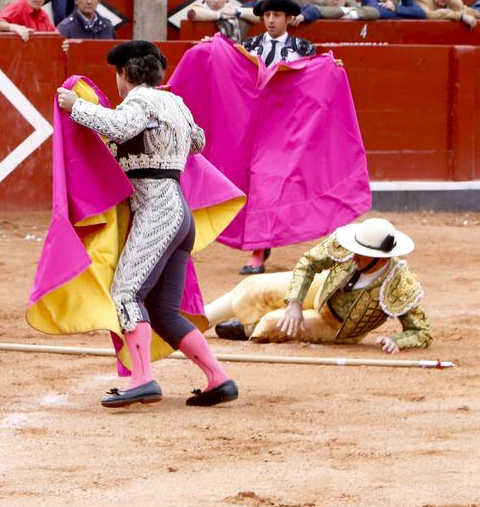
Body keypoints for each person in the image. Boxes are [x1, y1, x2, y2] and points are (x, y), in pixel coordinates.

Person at [56, 41, 238, 407]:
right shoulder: (176, 103)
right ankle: (219, 378)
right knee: (163, 311)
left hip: (156, 211)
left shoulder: (139, 101)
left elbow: (121, 126)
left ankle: (142, 379)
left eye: (117, 75)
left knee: (125, 293)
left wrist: (78, 108)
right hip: (178, 212)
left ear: (125, 73)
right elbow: (198, 142)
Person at [208, 217, 430, 352]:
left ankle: (246, 327)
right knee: (253, 287)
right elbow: (308, 263)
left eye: (363, 254)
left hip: (336, 325)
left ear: (381, 259)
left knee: (271, 324)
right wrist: (294, 303)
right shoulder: (349, 245)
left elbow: (420, 331)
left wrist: (398, 341)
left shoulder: (400, 283)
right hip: (323, 286)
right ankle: (199, 319)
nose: (354, 257)